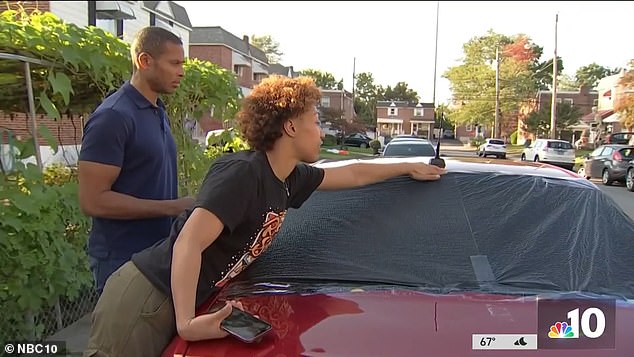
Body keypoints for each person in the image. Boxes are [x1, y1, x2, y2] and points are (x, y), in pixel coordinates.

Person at [84, 75, 446, 357]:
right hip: (147, 297)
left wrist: (407, 167)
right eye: (314, 120)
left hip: (178, 299)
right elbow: (188, 243)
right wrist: (187, 323)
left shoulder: (289, 178)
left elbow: (352, 173)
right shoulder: (243, 173)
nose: (320, 131)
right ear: (290, 127)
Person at [77, 26, 194, 296]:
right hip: (122, 261)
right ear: (144, 61)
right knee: (123, 339)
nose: (182, 72)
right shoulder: (114, 117)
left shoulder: (157, 111)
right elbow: (92, 200)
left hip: (157, 255)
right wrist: (172, 207)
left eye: (182, 64)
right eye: (174, 63)